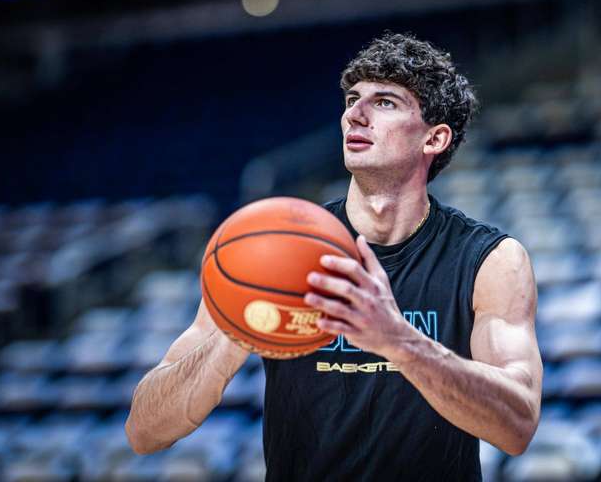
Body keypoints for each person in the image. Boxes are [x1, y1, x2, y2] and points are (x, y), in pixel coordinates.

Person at [125, 33, 543, 480]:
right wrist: (236, 332)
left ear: (435, 138)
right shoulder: (270, 245)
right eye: (351, 99)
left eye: (384, 102)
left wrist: (398, 341)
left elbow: (516, 425)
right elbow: (144, 432)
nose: (354, 115)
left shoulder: (489, 259)